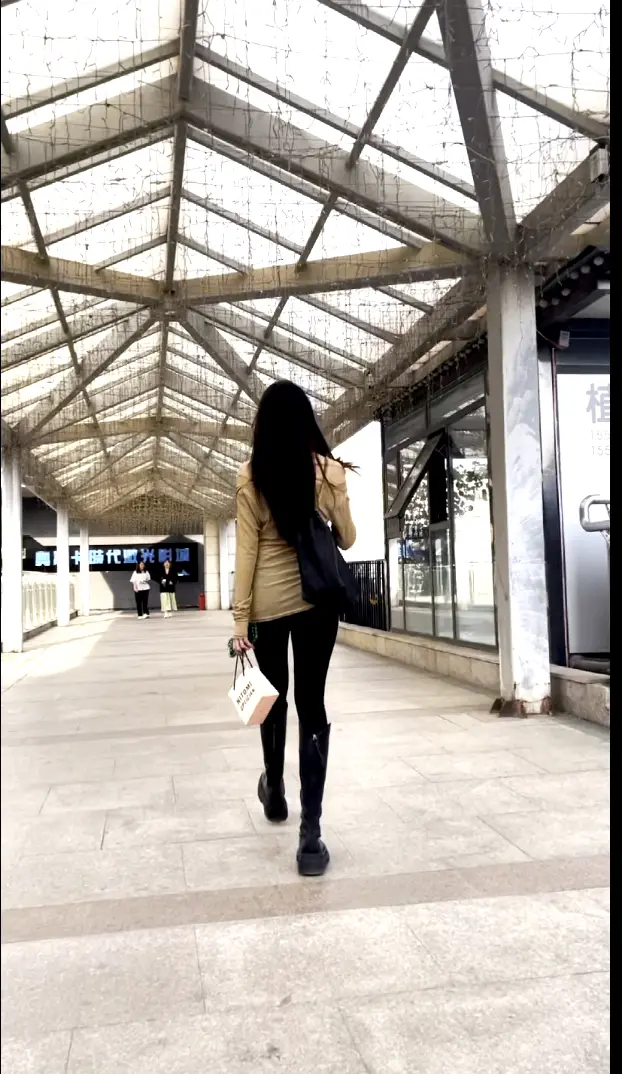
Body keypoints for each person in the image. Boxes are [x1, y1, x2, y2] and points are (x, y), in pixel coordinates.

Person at [232, 380, 356, 877]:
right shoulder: (327, 471)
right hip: (316, 605)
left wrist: (239, 620)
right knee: (312, 704)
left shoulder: (251, 476)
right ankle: (311, 835)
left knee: (272, 700)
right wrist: (332, 497)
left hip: (265, 611)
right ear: (306, 422)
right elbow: (348, 538)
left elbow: (246, 553)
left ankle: (275, 789)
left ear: (263, 425)